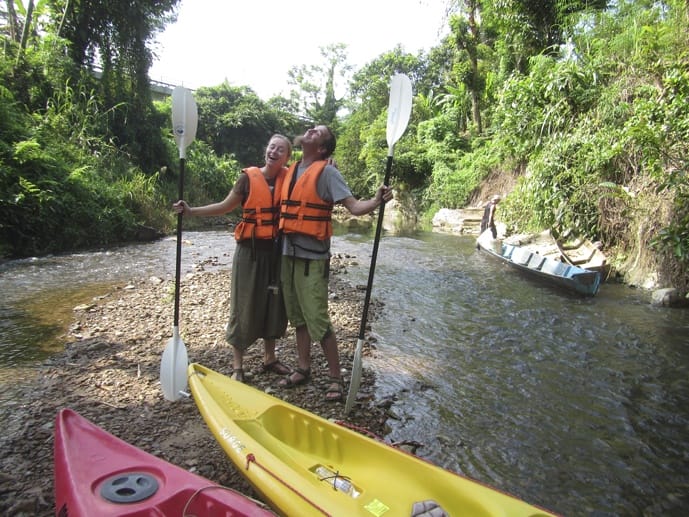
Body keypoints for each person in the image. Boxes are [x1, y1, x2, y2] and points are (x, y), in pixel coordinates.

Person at [277, 125, 393, 402]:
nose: (309, 130)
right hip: (287, 254)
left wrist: (377, 200)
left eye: (317, 132)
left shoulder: (328, 172)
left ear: (322, 149)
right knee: (298, 317)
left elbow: (353, 207)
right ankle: (303, 368)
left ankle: (335, 378)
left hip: (312, 259)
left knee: (318, 319)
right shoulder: (291, 169)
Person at [172, 134, 293, 382]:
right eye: (271, 146)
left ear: (287, 158)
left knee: (274, 303)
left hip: (276, 251)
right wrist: (192, 211)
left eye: (280, 149)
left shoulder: (290, 178)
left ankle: (269, 358)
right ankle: (238, 365)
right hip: (249, 250)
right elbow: (225, 206)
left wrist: (328, 163)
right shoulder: (247, 179)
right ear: (265, 150)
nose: (274, 152)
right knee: (244, 303)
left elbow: (313, 177)